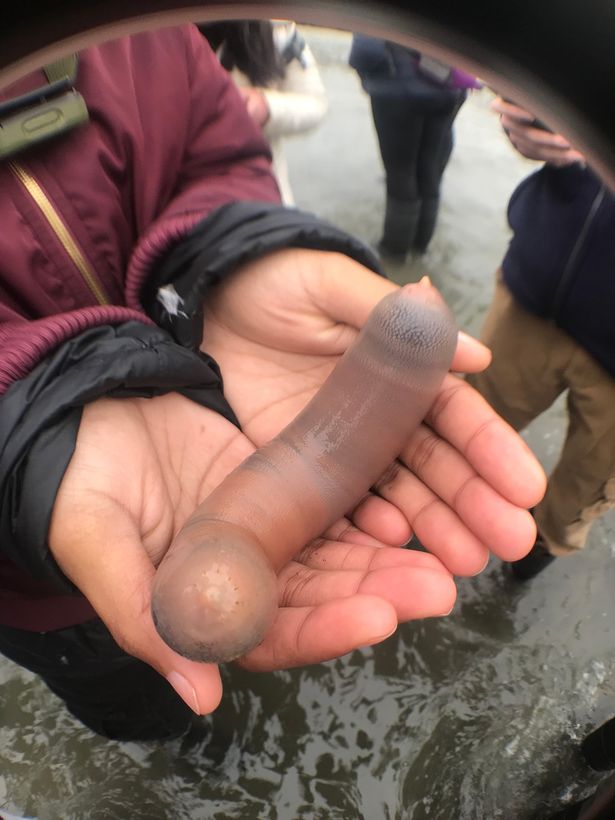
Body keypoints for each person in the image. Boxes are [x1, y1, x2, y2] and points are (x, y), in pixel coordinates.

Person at [0, 25, 545, 742]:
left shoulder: (141, 30)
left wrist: (234, 253)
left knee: (174, 684)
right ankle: (182, 746)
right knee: (138, 702)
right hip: (29, 573)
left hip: (195, 437)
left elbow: (215, 155)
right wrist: (28, 433)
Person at [467, 97, 615, 580]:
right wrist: (531, 118)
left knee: (574, 499)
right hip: (538, 287)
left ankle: (518, 576)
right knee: (464, 432)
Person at [349, 34, 481, 261]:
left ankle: (393, 255)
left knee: (401, 175)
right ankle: (420, 251)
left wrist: (368, 74)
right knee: (429, 172)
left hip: (397, 86)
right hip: (447, 88)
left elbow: (366, 50)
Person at [199, 19, 328, 204]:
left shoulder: (277, 29)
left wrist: (267, 106)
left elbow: (315, 103)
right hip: (183, 193)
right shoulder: (162, 23)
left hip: (260, 193)